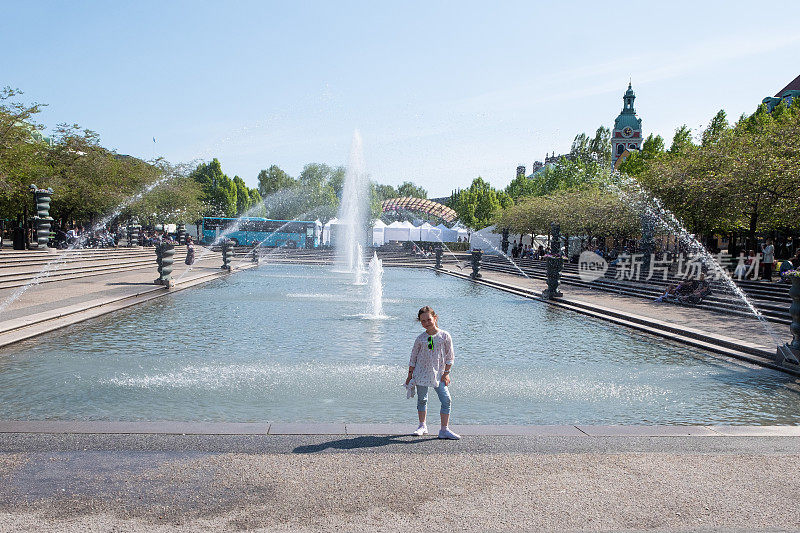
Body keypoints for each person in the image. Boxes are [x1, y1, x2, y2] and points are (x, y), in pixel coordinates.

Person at [405, 306, 459, 440]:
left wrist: (446, 373)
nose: (426, 323)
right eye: (423, 321)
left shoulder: (444, 336)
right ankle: (422, 425)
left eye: (428, 319)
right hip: (421, 373)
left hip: (439, 373)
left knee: (446, 399)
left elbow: (450, 356)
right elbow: (413, 357)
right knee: (422, 399)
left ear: (435, 318)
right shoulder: (420, 339)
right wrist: (409, 375)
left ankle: (444, 429)